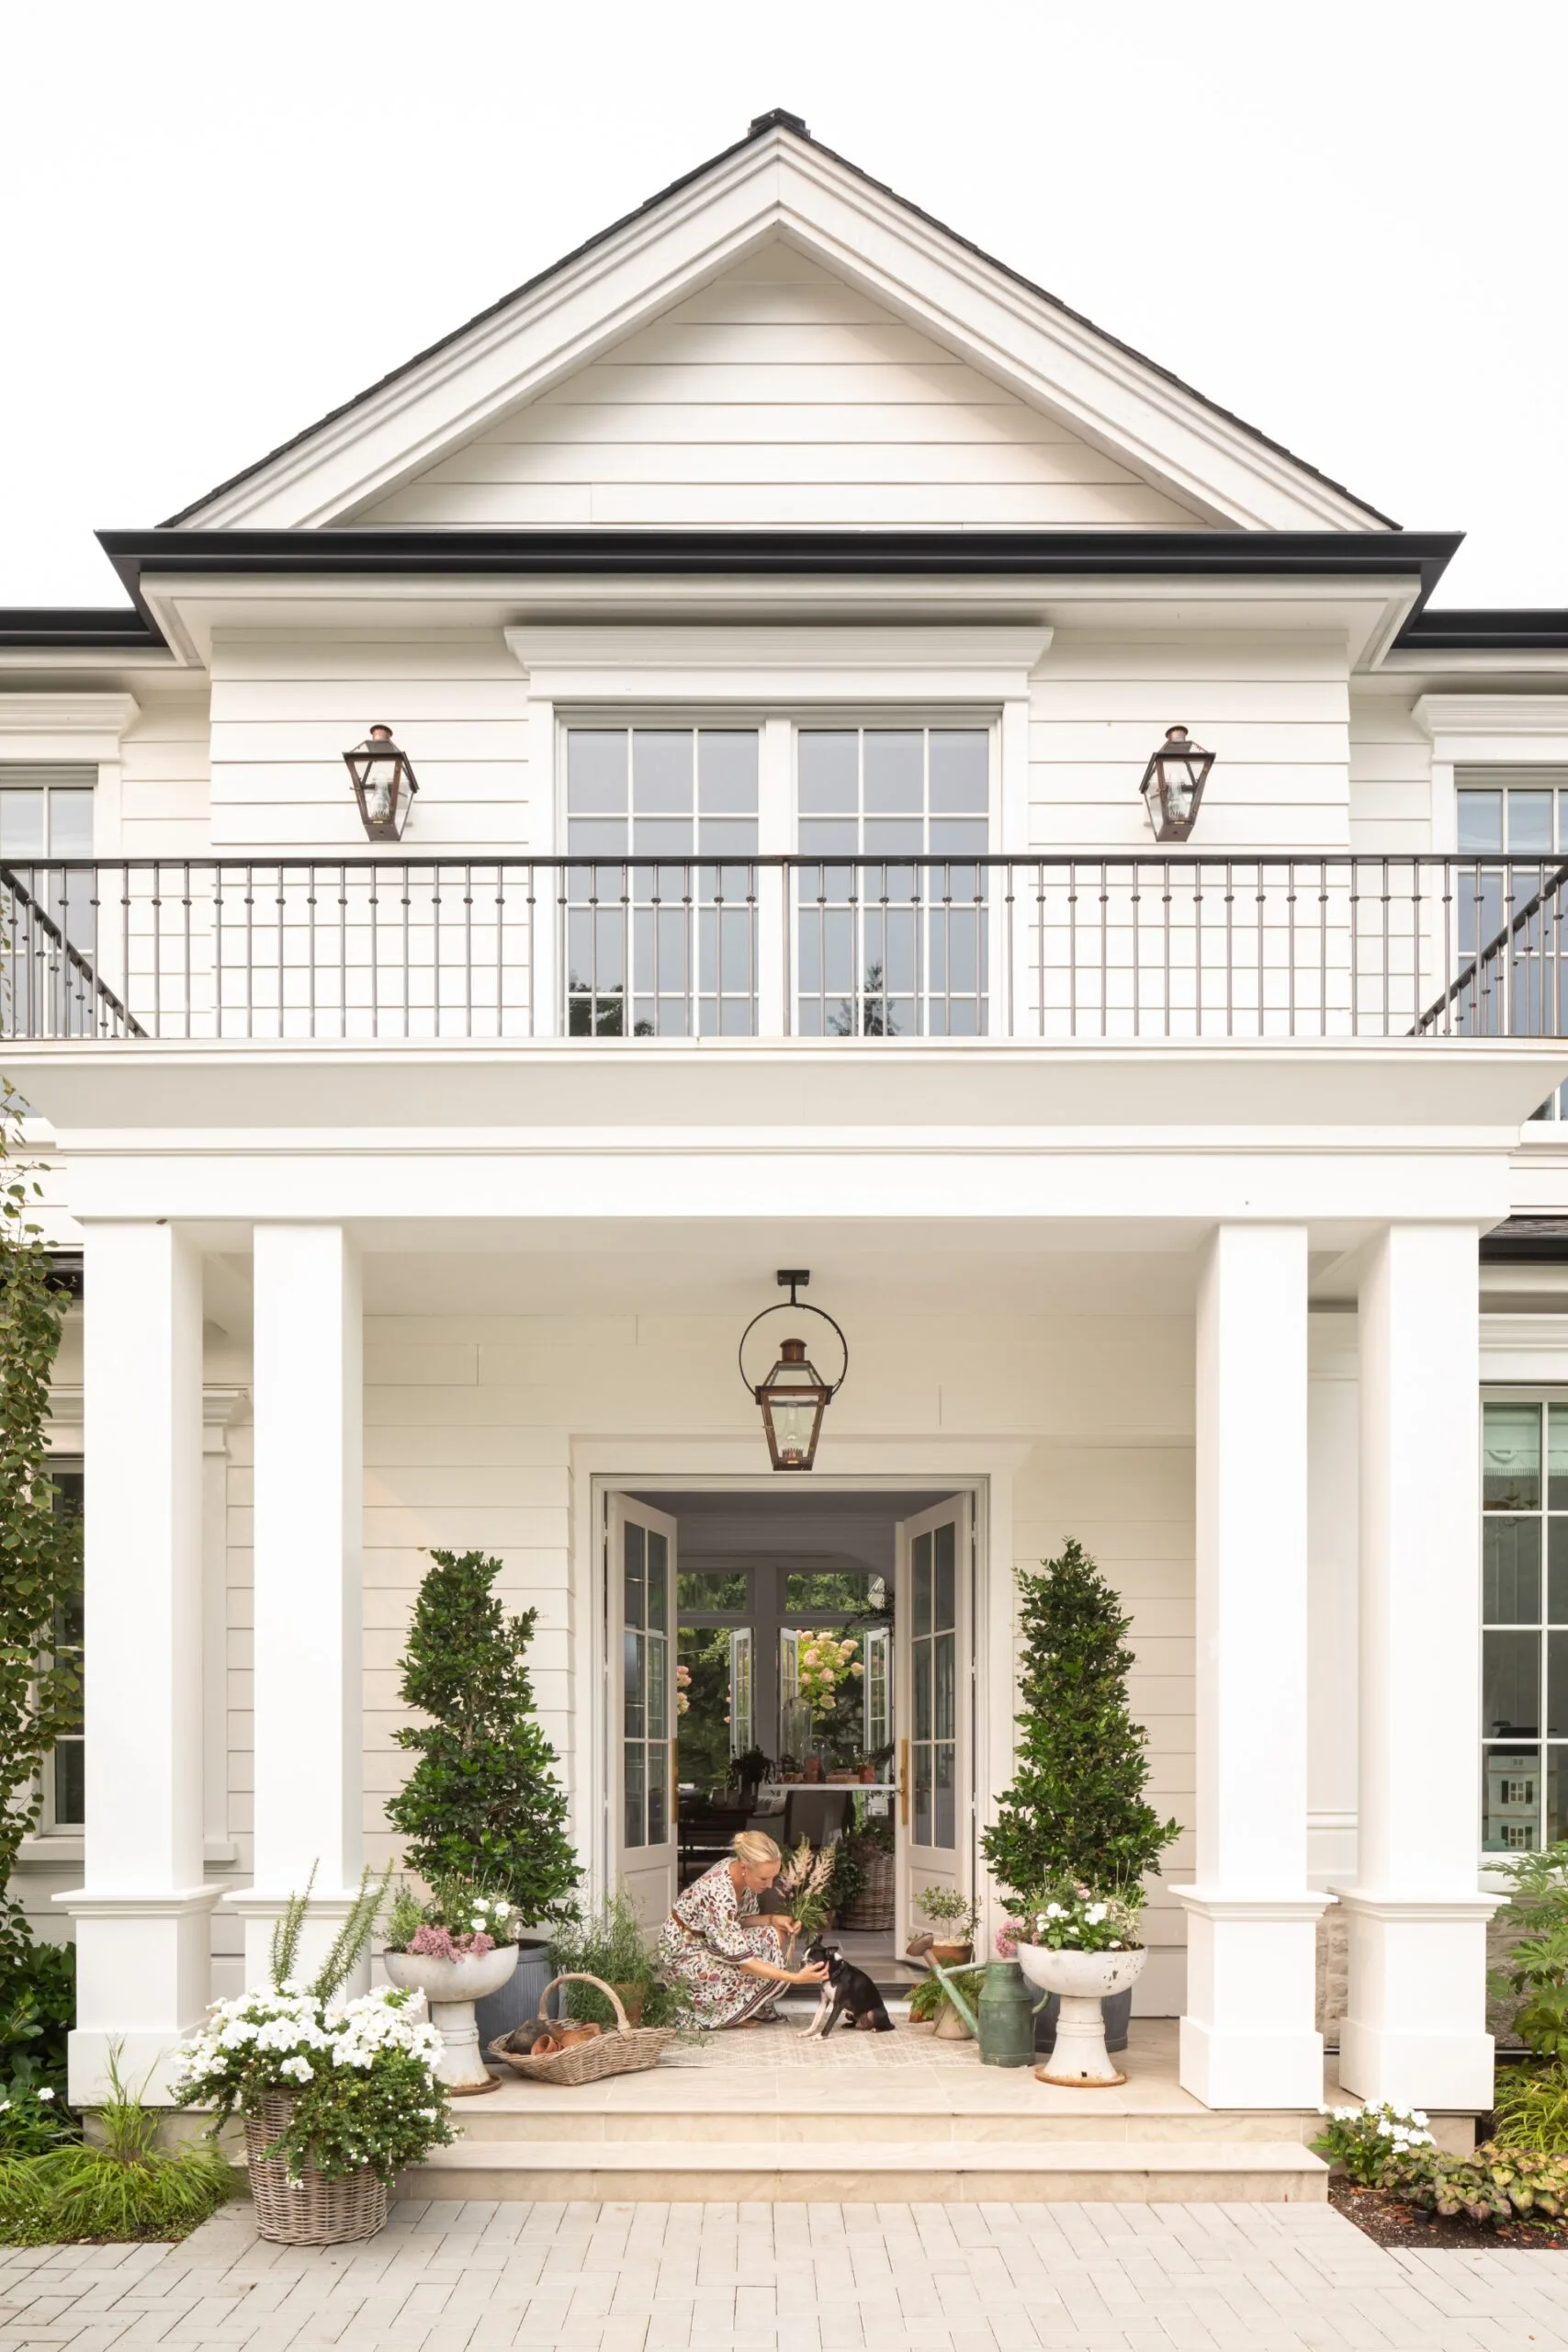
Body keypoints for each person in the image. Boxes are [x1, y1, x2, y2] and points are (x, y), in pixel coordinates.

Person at [658, 1831, 829, 2029]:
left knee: (773, 1934)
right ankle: (722, 2011)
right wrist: (796, 1978)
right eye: (764, 1878)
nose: (770, 1885)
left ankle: (744, 2007)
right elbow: (744, 1962)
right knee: (753, 1965)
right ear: (744, 1867)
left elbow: (739, 1921)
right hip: (685, 1954)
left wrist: (773, 1919)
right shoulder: (718, 1891)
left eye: (773, 1877)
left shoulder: (740, 1874)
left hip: (710, 1941)